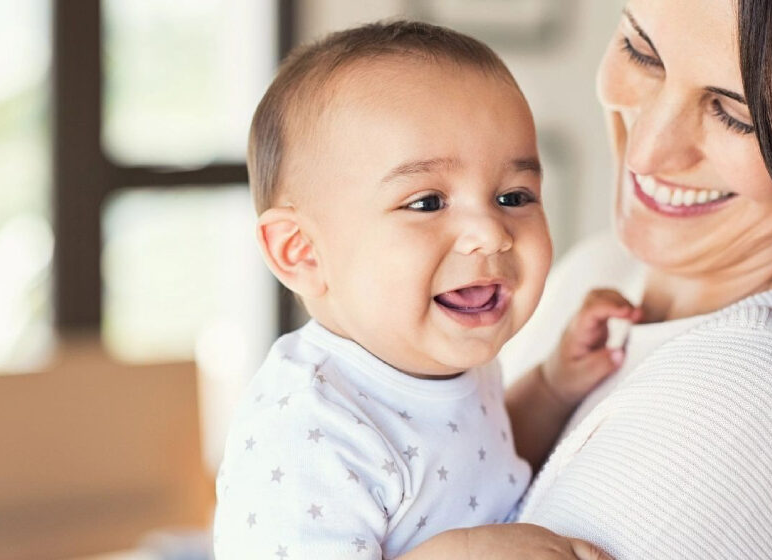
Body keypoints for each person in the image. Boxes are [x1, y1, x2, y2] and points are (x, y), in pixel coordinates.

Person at [212, 20, 623, 560]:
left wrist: (553, 386)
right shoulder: (306, 432)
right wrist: (466, 553)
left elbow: (479, 459)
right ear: (303, 252)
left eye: (515, 196)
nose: (490, 233)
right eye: (428, 202)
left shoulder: (451, 361)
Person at [496, 0, 772, 558]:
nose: (645, 153)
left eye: (735, 113)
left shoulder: (749, 404)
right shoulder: (599, 269)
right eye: (642, 50)